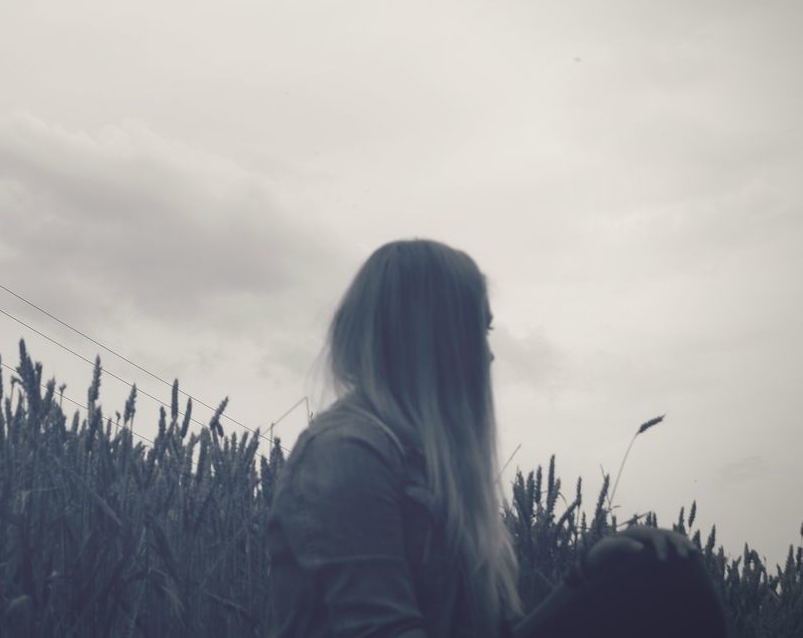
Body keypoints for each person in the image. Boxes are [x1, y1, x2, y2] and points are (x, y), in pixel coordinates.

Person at [264, 239, 729, 637]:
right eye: (477, 330)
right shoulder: (348, 455)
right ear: (433, 341)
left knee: (654, 568)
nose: (488, 355)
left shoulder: (429, 464)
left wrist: (587, 575)